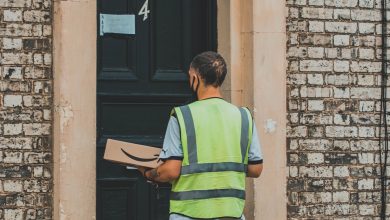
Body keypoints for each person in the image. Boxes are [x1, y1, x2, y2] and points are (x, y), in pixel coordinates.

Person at [137, 51, 263, 220]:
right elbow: (256, 169)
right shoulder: (244, 116)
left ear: (195, 78)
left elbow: (171, 171)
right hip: (231, 213)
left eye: (190, 77)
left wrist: (149, 174)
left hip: (189, 213)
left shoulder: (182, 115)